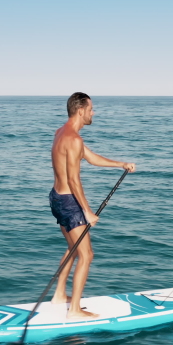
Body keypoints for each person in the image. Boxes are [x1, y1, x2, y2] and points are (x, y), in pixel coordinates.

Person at [50, 92, 135, 319]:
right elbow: (73, 180)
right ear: (81, 111)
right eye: (90, 109)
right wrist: (87, 211)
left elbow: (90, 157)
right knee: (86, 255)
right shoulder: (74, 139)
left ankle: (59, 295)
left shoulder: (62, 133)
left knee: (72, 248)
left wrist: (121, 164)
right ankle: (75, 310)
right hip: (69, 202)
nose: (92, 113)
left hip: (56, 198)